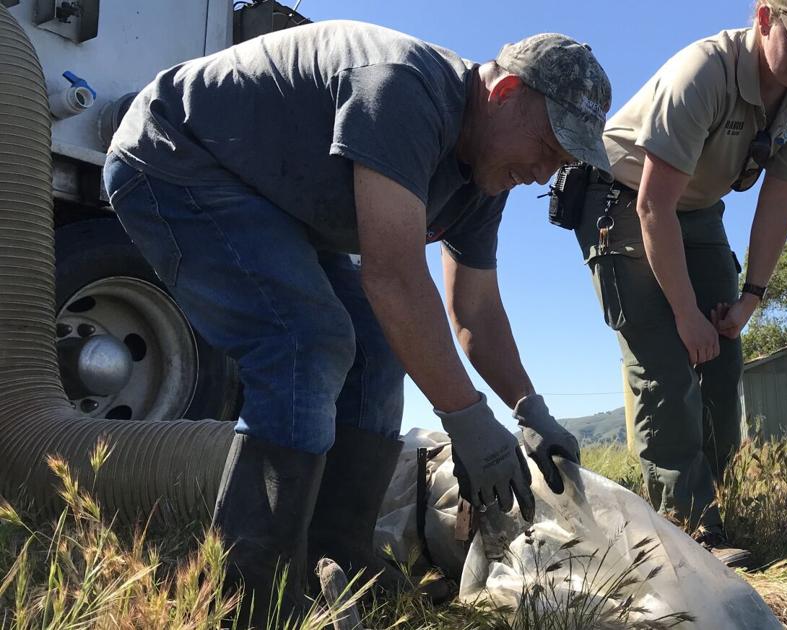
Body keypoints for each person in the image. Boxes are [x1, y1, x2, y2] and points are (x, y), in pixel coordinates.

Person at [103, 20, 610, 623]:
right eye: (549, 149)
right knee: (306, 341)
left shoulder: (485, 179)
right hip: (177, 157)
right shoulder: (404, 90)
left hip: (278, 205)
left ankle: (336, 553)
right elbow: (393, 276)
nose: (546, 173)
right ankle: (250, 595)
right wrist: (467, 419)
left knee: (377, 349)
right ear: (503, 95)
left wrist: (529, 409)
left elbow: (473, 307)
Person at [571, 0, 787, 567]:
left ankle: (719, 508)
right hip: (626, 199)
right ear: (763, 18)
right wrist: (684, 311)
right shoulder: (702, 73)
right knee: (666, 364)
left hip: (699, 210)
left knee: (723, 362)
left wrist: (751, 294)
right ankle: (688, 536)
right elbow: (654, 204)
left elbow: (782, 194)